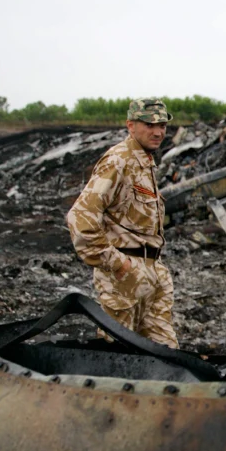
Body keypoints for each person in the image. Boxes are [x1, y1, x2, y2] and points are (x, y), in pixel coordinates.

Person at [66, 98, 179, 348]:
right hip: (124, 277)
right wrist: (118, 264)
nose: (158, 132)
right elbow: (80, 217)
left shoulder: (145, 162)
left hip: (153, 272)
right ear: (131, 125)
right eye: (149, 124)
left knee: (165, 355)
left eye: (162, 125)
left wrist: (155, 270)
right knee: (119, 355)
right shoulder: (118, 161)